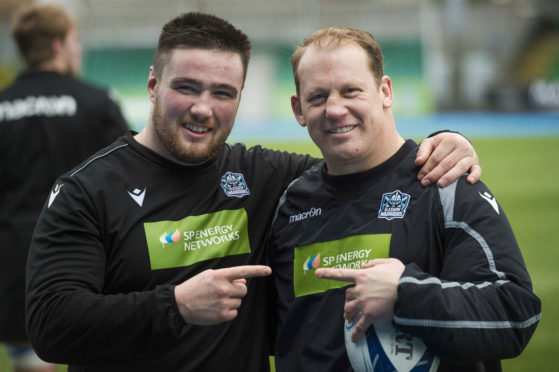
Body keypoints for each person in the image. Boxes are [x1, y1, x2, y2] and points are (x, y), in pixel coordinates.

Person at [25, 12, 482, 372]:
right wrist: (176, 305)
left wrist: (442, 143)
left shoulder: (264, 175)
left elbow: (366, 167)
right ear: (152, 85)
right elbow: (50, 325)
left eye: (223, 92)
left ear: (240, 97)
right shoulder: (87, 190)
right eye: (187, 87)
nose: (203, 108)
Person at [269, 27, 541, 372]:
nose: (335, 109)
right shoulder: (290, 206)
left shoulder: (446, 184)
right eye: (318, 97)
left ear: (385, 91)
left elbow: (514, 314)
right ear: (298, 109)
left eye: (350, 91)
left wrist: (405, 292)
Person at [0, 4, 128, 372]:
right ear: (58, 46)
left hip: (13, 261)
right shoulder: (98, 102)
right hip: (84, 256)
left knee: (31, 358)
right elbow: (129, 174)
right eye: (75, 41)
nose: (79, 49)